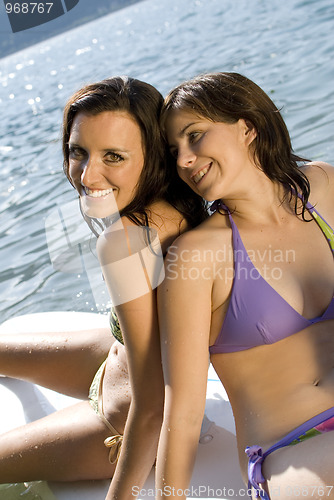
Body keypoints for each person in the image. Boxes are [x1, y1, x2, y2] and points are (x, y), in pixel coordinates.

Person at [0, 76, 207, 488]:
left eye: (113, 156)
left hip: (119, 425)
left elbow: (152, 408)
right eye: (79, 152)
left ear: (153, 156)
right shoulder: (183, 206)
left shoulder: (126, 241)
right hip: (108, 357)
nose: (88, 175)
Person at [156, 72, 334, 499]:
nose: (183, 159)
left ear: (247, 126)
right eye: (173, 151)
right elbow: (181, 414)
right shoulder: (196, 255)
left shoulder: (324, 188)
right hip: (291, 449)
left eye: (195, 136)